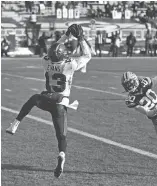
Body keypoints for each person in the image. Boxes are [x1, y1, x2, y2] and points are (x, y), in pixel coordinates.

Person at [6, 24, 92, 178]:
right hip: (60, 104)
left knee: (33, 99)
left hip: (46, 100)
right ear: (63, 54)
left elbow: (55, 47)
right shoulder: (70, 65)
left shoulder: (45, 62)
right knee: (61, 136)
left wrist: (65, 35)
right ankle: (62, 155)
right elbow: (87, 55)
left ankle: (15, 123)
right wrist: (81, 38)